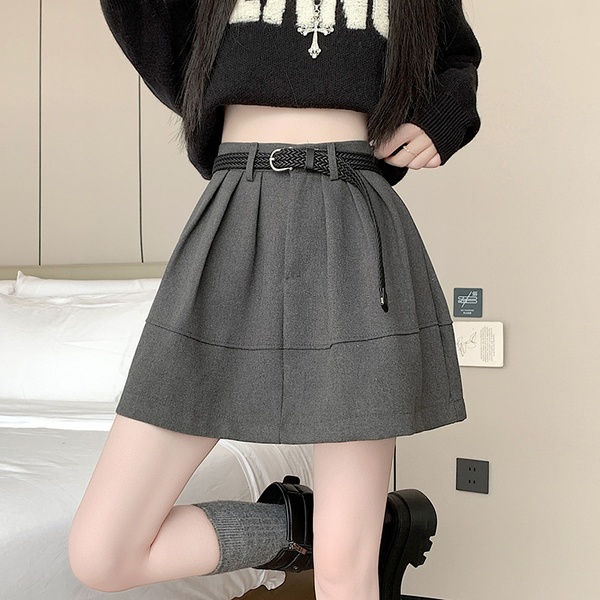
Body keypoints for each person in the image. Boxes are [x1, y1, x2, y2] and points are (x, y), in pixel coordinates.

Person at [69, 1, 482, 599]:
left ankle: (345, 537)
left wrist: (441, 119)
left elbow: (455, 55)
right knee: (101, 555)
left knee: (345, 573)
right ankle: (299, 526)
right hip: (235, 210)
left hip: (352, 216)